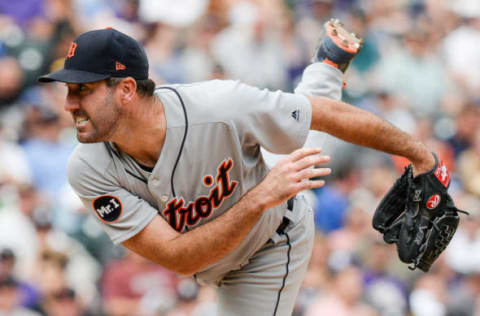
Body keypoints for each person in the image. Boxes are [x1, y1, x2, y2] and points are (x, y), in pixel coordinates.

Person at [38, 21, 435, 316]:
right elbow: (179, 259)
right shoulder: (88, 167)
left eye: (83, 90)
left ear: (125, 89)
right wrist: (259, 196)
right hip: (242, 213)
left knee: (295, 143)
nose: (70, 103)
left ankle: (322, 75)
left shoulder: (218, 106)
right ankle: (325, 69)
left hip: (269, 244)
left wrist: (423, 158)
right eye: (70, 90)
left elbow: (324, 115)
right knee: (285, 162)